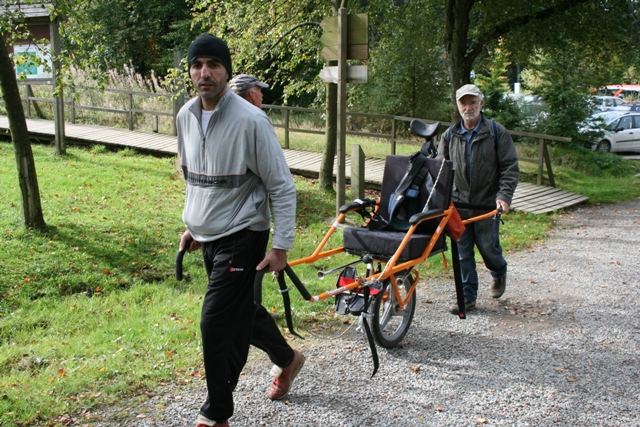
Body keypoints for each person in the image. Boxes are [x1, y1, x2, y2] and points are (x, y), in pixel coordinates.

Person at [176, 34, 305, 427]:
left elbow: (281, 185)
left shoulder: (251, 120)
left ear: (226, 71)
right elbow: (194, 178)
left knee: (214, 322)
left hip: (244, 234)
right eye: (198, 64)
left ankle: (217, 415)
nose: (205, 72)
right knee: (239, 313)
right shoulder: (184, 116)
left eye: (214, 64)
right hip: (209, 235)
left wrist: (281, 245)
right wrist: (192, 225)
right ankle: (288, 359)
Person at [438, 84, 519, 315]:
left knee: (487, 248)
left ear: (481, 103)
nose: (468, 107)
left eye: (472, 102)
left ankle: (498, 271)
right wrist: (441, 200)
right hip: (459, 206)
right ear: (458, 106)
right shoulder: (450, 135)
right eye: (464, 103)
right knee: (463, 253)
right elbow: (441, 170)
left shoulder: (496, 132)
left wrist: (504, 196)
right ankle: (467, 297)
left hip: (486, 204)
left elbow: (510, 166)